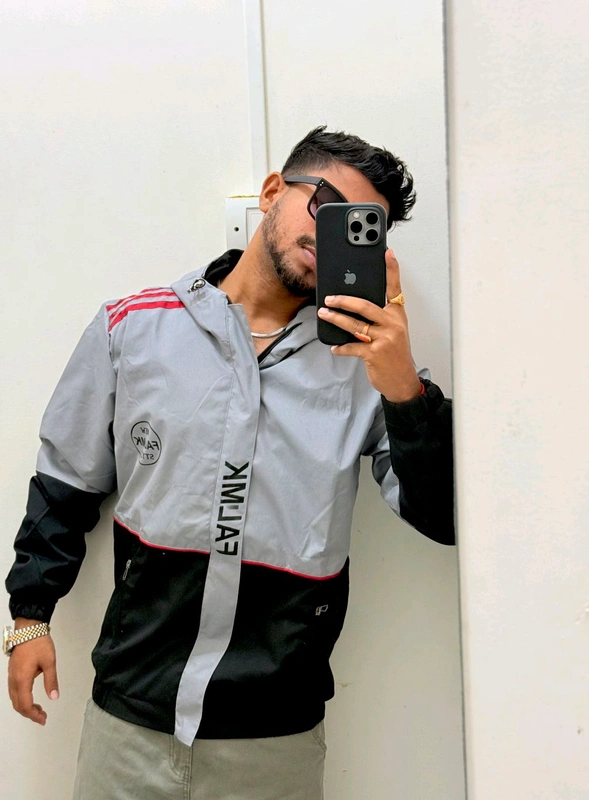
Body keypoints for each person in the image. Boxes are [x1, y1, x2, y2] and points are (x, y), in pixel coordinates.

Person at [4, 126, 454, 800]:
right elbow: (66, 482)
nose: (332, 233)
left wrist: (403, 389)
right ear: (273, 191)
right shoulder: (135, 328)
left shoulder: (369, 367)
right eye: (325, 205)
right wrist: (30, 615)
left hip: (274, 741)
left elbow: (442, 515)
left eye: (362, 227)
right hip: (129, 719)